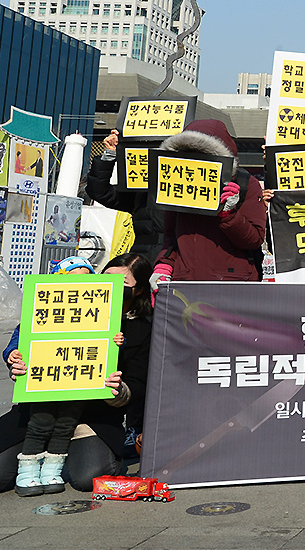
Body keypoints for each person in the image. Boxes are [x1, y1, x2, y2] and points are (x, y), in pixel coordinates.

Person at [2, 253, 153, 494]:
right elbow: (24, 342)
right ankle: (37, 460)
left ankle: (73, 456)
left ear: (139, 291)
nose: (112, 288)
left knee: (87, 478)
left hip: (93, 416)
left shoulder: (142, 329)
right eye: (106, 280)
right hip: (38, 410)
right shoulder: (55, 309)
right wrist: (17, 363)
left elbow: (137, 386)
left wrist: (117, 390)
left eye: (122, 285)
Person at [4, 258, 106, 495]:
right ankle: (27, 472)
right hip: (44, 383)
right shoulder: (39, 313)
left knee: (65, 425)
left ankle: (52, 470)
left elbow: (104, 340)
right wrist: (13, 354)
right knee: (40, 422)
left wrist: (114, 342)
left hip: (77, 383)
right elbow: (19, 338)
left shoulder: (95, 316)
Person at [150, 120, 267, 289]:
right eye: (188, 154)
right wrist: (163, 267)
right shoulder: (177, 184)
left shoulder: (245, 184)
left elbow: (255, 239)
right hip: (185, 284)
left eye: (204, 154)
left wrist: (229, 215)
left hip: (233, 286)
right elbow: (171, 237)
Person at [84, 129, 166, 262]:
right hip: (141, 265)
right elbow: (99, 191)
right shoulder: (140, 193)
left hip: (180, 266)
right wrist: (110, 154)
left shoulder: (195, 194)